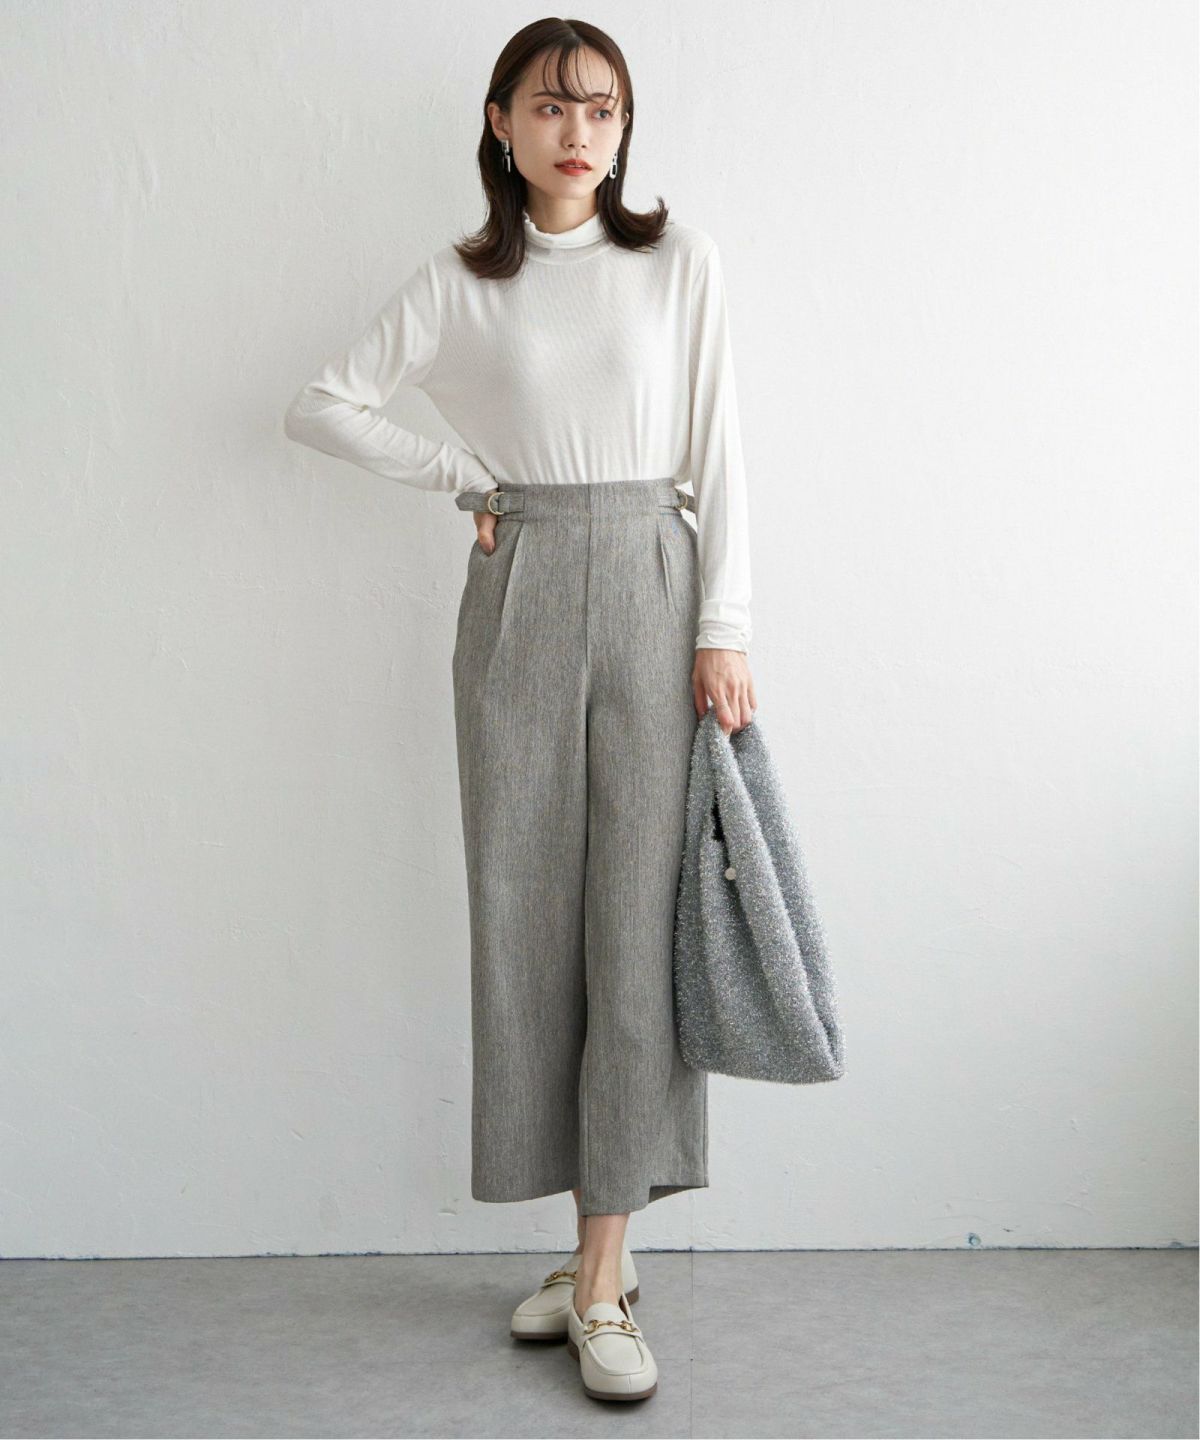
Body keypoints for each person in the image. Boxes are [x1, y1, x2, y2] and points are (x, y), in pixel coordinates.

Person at [283, 17, 756, 1404]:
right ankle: (591, 1255)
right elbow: (321, 404)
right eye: (551, 108)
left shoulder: (678, 262)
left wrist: (725, 626)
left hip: (658, 579)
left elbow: (723, 447)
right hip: (523, 583)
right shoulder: (462, 283)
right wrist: (462, 480)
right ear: (501, 123)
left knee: (637, 930)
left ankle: (602, 1276)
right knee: (527, 916)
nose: (579, 132)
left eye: (603, 109)